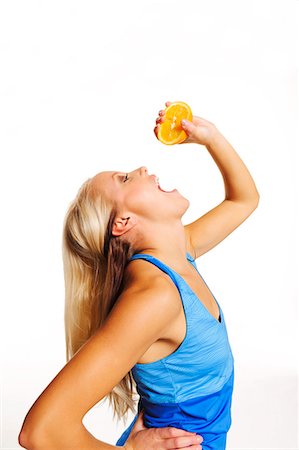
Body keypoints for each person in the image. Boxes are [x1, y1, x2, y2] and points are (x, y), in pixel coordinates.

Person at [18, 102, 259, 450]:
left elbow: (244, 200)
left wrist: (211, 138)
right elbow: (41, 431)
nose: (142, 168)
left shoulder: (179, 253)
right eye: (125, 178)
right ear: (123, 223)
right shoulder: (155, 295)